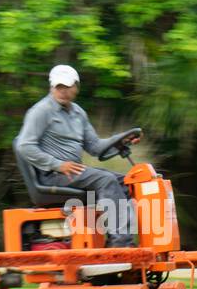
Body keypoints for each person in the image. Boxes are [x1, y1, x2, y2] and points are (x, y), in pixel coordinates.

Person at [17, 64, 140, 248]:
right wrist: (58, 165)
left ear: (76, 87)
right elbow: (24, 145)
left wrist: (122, 139)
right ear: (52, 87)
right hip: (53, 176)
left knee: (125, 181)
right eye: (59, 87)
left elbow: (95, 147)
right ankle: (121, 243)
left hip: (75, 172)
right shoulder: (40, 111)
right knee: (105, 180)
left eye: (67, 87)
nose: (63, 91)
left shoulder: (78, 113)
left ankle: (116, 238)